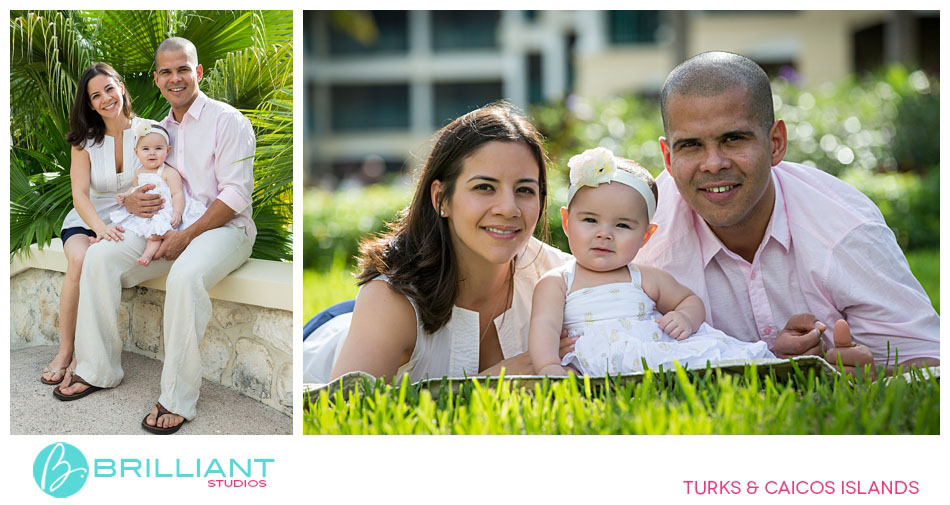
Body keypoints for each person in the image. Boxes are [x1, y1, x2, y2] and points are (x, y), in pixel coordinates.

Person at [637, 51, 939, 375]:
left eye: (733, 139)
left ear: (776, 142)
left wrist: (867, 373)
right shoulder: (641, 242)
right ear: (668, 157)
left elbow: (931, 360)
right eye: (691, 145)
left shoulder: (845, 230)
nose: (713, 163)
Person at [54, 37, 256, 435]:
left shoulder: (227, 121)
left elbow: (235, 195)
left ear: (197, 72)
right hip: (164, 226)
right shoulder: (158, 129)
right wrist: (131, 207)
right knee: (98, 257)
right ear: (156, 79)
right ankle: (97, 369)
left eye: (183, 69)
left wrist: (186, 235)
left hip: (223, 228)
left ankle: (176, 398)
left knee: (184, 277)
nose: (174, 78)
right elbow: (139, 181)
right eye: (165, 71)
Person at [303, 102, 572, 385]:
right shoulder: (389, 299)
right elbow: (346, 414)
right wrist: (489, 384)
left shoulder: (564, 279)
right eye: (484, 187)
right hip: (328, 339)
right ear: (441, 198)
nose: (509, 208)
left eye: (525, 190)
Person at [529, 148, 773, 377]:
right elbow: (545, 326)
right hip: (591, 360)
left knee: (708, 359)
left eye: (622, 225)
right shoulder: (559, 281)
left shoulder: (644, 277)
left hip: (652, 354)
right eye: (590, 220)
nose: (604, 234)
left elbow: (688, 300)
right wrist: (548, 365)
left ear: (646, 235)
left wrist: (685, 318)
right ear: (566, 221)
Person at [42, 63, 137, 386]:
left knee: (99, 261)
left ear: (121, 86)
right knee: (81, 259)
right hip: (87, 220)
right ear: (90, 104)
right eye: (95, 96)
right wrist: (99, 229)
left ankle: (88, 355)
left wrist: (117, 230)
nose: (105, 99)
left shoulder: (148, 131)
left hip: (128, 224)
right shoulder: (83, 141)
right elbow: (80, 195)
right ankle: (66, 349)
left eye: (109, 89)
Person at [110, 118, 206, 266]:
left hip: (162, 210)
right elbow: (134, 188)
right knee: (122, 227)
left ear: (167, 150)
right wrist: (126, 195)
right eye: (146, 149)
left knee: (155, 234)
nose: (152, 153)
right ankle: (102, 241)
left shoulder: (168, 172)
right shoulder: (139, 171)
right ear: (136, 152)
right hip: (145, 212)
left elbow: (178, 193)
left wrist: (177, 213)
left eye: (158, 149)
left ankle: (148, 255)